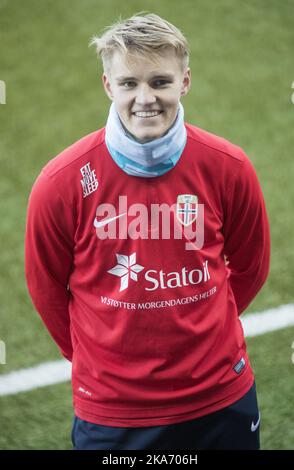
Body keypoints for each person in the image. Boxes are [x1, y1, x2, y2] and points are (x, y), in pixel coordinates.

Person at [24, 12, 270, 450]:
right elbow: (45, 289)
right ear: (107, 86)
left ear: (185, 81)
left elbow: (252, 267)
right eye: (129, 84)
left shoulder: (229, 167)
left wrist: (203, 328)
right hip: (113, 412)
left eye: (160, 82)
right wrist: (100, 360)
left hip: (220, 399)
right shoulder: (61, 182)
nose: (145, 99)